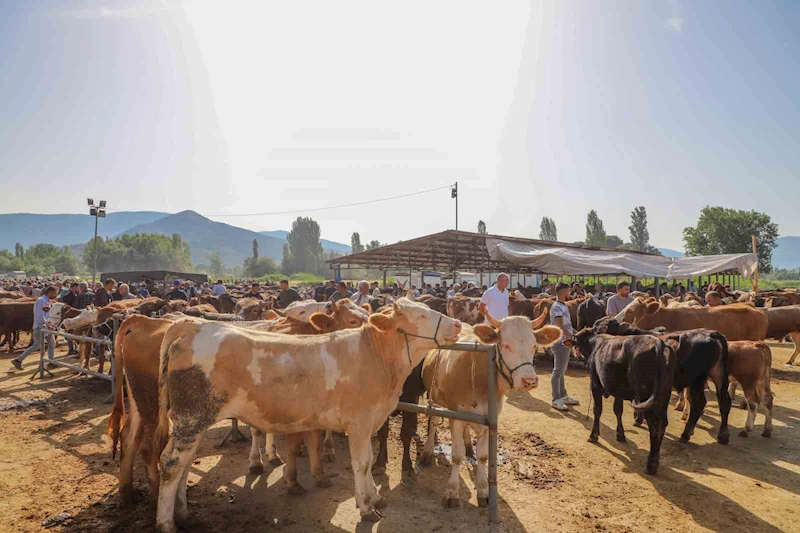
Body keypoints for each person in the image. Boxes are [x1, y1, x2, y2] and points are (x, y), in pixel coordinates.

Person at [12, 286, 58, 370]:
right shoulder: (41, 301)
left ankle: (51, 361)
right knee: (37, 345)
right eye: (56, 293)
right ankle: (18, 360)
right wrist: (48, 324)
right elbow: (40, 316)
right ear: (51, 292)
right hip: (41, 327)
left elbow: (46, 315)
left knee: (52, 343)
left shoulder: (46, 301)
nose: (56, 295)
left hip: (46, 327)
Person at [549, 282, 579, 411]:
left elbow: (567, 326)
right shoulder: (557, 307)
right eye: (568, 290)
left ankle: (563, 395)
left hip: (565, 341)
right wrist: (572, 337)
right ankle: (556, 399)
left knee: (561, 370)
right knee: (558, 371)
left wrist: (577, 334)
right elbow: (560, 326)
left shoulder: (563, 305)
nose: (570, 292)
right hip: (560, 342)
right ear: (564, 292)